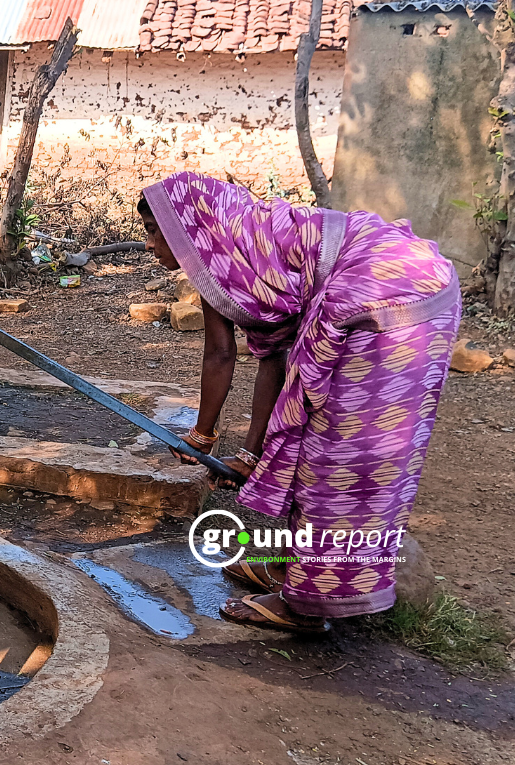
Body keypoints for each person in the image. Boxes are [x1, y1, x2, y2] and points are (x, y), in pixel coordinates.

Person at [138, 172, 460, 632]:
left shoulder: (229, 249)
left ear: (184, 226)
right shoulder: (224, 253)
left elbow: (221, 354)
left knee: (337, 456)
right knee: (311, 440)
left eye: (154, 230)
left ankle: (309, 606)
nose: (149, 245)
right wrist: (250, 453)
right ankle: (296, 572)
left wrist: (200, 437)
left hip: (390, 292)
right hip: (395, 282)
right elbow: (274, 356)